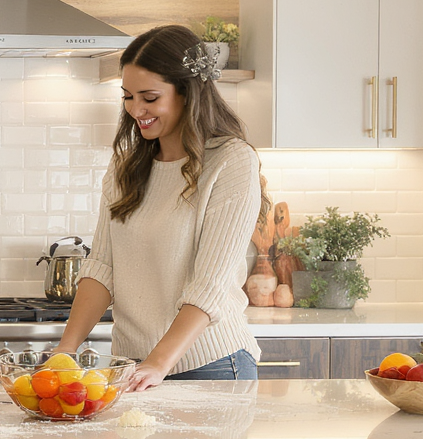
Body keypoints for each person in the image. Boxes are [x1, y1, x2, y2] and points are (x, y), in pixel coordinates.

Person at [54, 24, 270, 392]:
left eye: (149, 98)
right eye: (127, 97)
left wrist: (157, 363)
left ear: (187, 93)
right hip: (136, 366)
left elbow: (211, 284)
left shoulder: (231, 162)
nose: (136, 110)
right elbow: (102, 268)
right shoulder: (126, 165)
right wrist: (65, 350)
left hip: (210, 366)